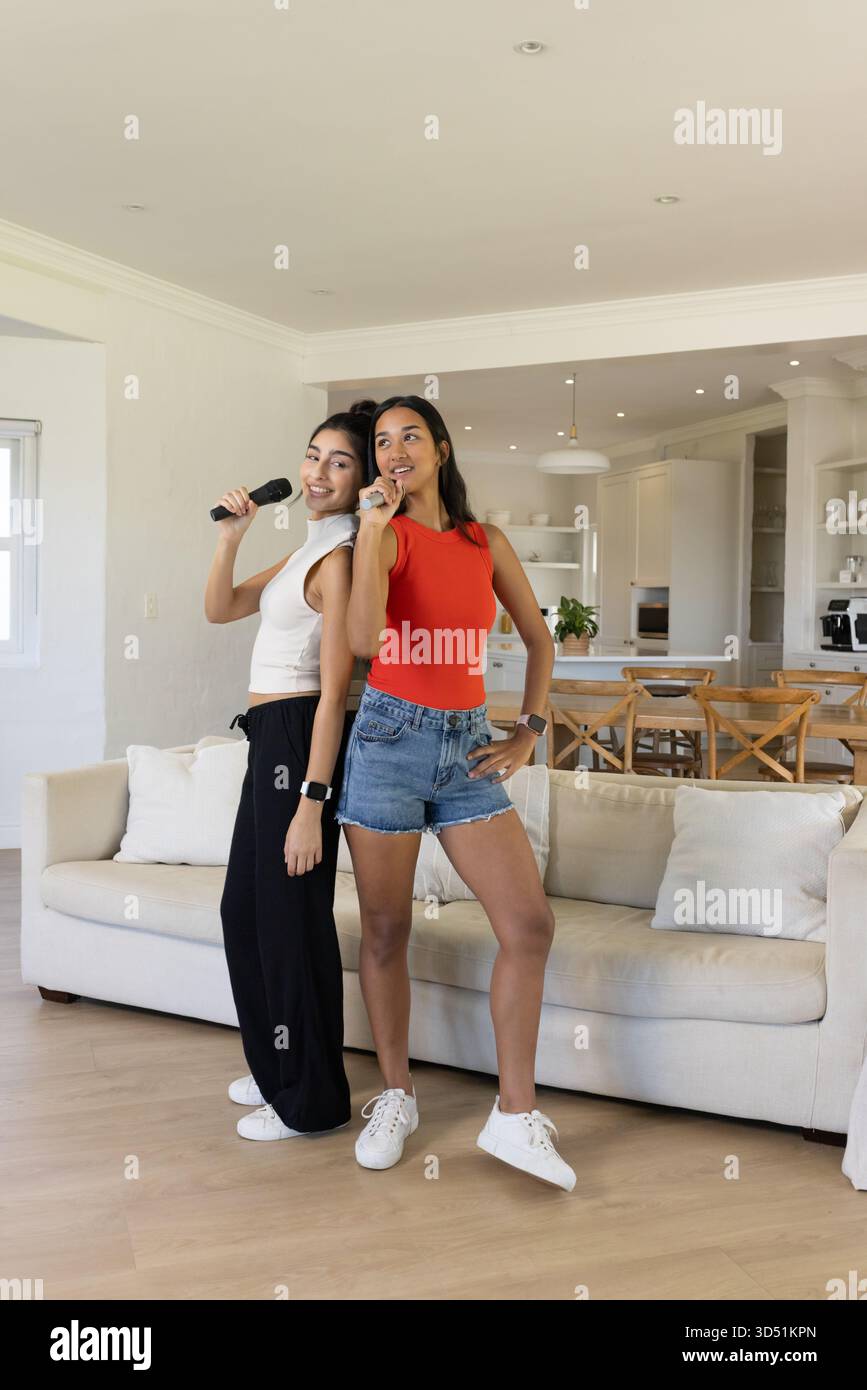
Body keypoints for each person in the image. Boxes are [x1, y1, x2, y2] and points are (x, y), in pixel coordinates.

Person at [336, 395, 575, 1191]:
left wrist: (529, 729)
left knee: (529, 925)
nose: (394, 450)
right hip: (388, 741)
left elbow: (538, 638)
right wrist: (372, 527)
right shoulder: (382, 533)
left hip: (469, 745)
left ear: (439, 449)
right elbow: (365, 640)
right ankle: (396, 1094)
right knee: (384, 929)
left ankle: (512, 1116)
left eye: (410, 436)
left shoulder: (484, 540)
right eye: (381, 442)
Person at [207, 400, 374, 1139]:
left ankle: (309, 1100)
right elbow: (222, 607)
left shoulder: (339, 560)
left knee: (290, 924)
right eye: (313, 456)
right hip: (268, 734)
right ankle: (279, 1063)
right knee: (244, 913)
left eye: (339, 462)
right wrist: (230, 538)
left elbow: (336, 692)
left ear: (361, 478)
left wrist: (312, 801)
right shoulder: (306, 549)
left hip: (300, 736)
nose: (317, 472)